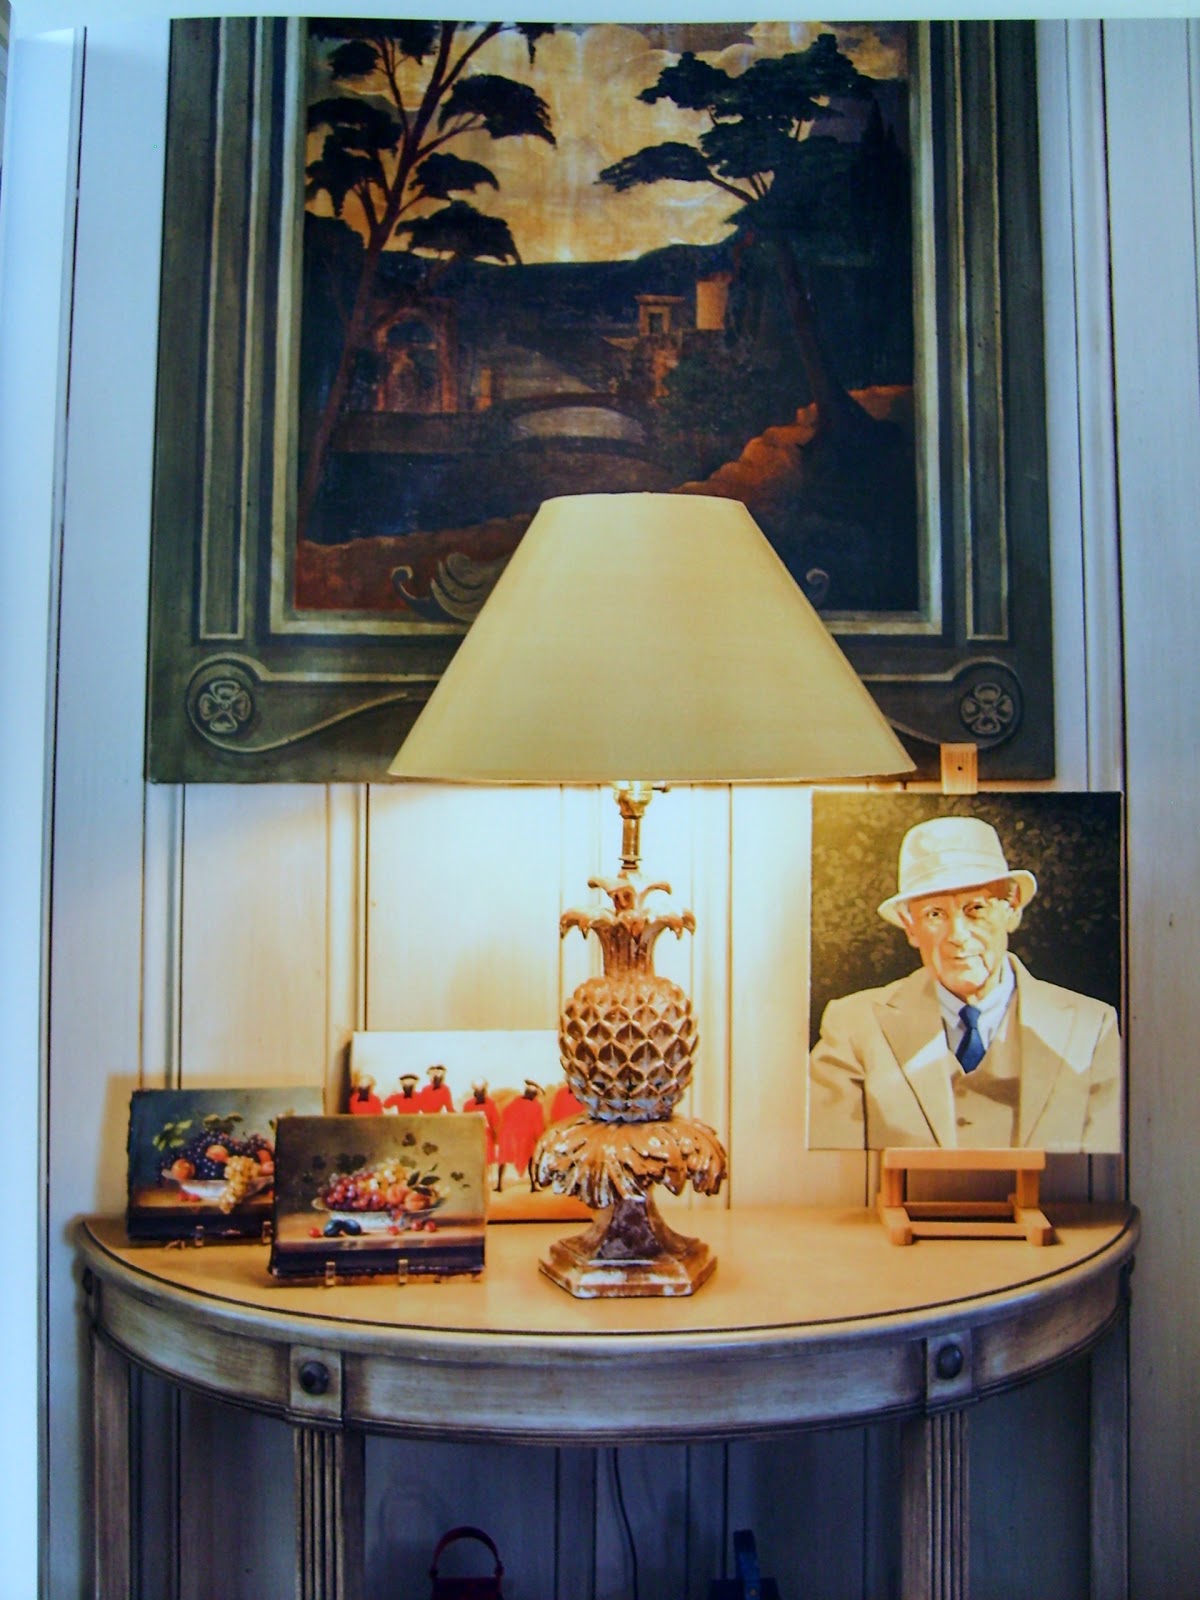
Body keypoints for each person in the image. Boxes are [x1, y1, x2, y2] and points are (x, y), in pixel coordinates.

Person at [808, 816, 1121, 1152]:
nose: (957, 935)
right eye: (935, 914)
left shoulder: (1091, 1028)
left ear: (1011, 908)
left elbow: (1107, 1161)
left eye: (976, 909)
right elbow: (831, 1162)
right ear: (910, 927)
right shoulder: (853, 1026)